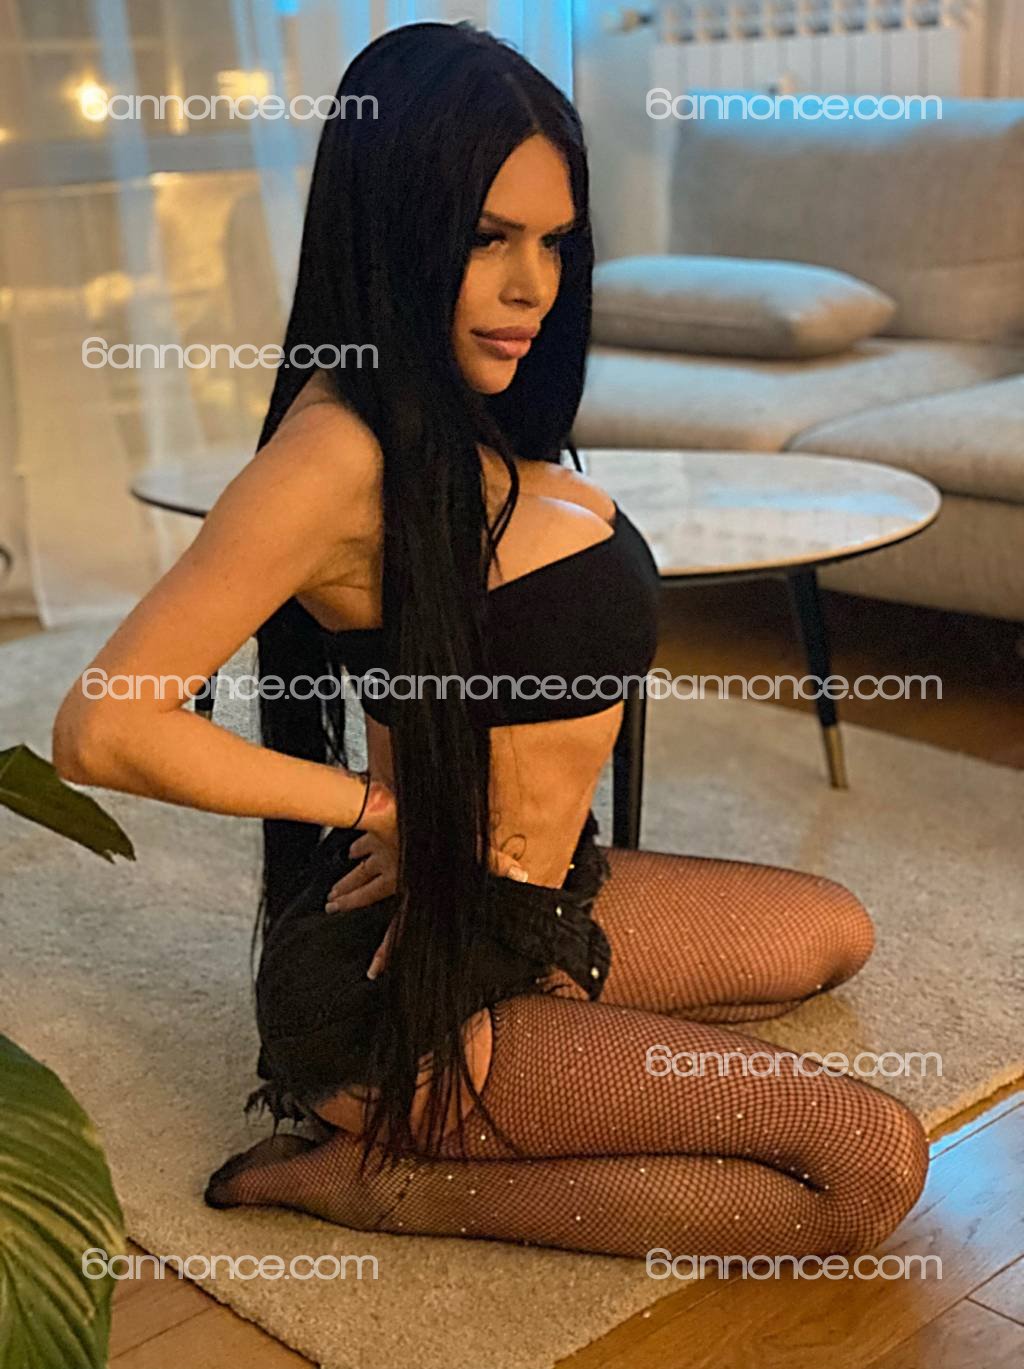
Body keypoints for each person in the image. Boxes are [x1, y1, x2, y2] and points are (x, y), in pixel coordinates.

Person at [54, 21, 929, 1259]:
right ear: (396, 230)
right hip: (401, 994)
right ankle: (382, 1182)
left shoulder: (457, 406)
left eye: (553, 241)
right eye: (486, 239)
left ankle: (546, 1058)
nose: (534, 286)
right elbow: (102, 726)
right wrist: (384, 809)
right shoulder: (332, 454)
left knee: (832, 931)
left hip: (539, 903)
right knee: (867, 1167)